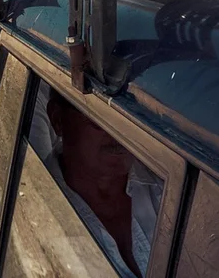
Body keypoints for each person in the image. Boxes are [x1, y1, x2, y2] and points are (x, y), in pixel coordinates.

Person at [42, 88, 162, 278]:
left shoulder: (167, 181)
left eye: (130, 116)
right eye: (101, 115)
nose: (119, 131)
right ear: (58, 119)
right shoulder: (37, 209)